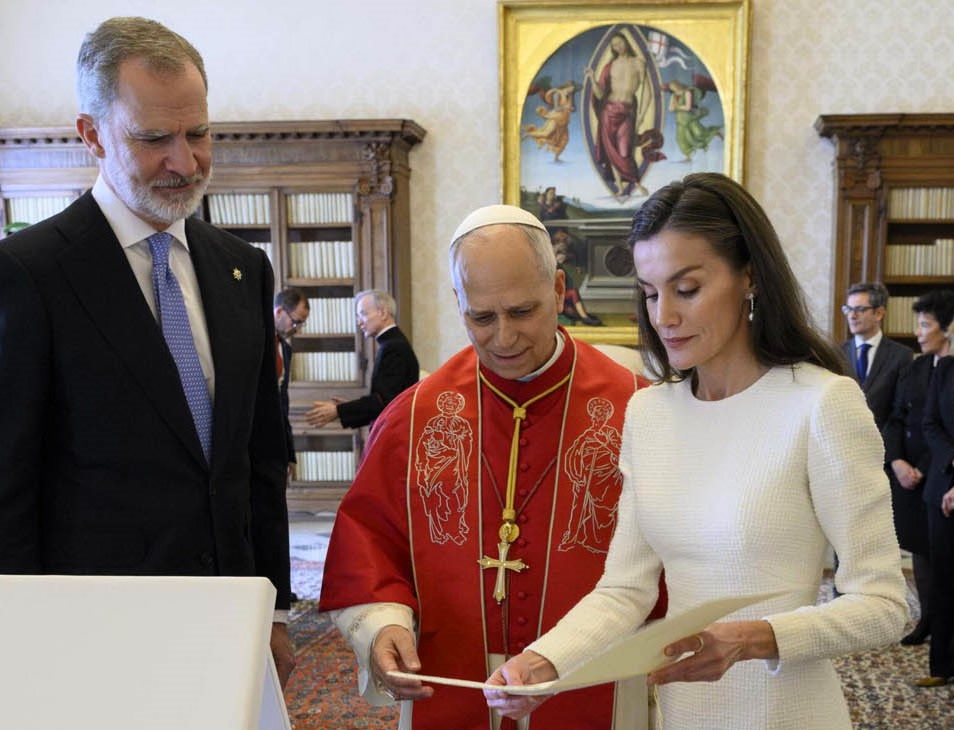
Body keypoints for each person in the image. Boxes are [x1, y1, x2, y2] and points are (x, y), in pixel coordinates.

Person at [0, 17, 296, 686]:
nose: (184, 162)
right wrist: (10, 645)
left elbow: (259, 460)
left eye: (198, 134)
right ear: (92, 134)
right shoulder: (23, 276)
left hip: (228, 621)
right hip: (89, 638)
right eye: (153, 139)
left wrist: (273, 609)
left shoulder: (241, 269)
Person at [485, 173, 908, 729]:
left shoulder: (821, 404)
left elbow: (885, 606)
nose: (663, 316)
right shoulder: (649, 413)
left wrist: (756, 638)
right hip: (685, 714)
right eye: (650, 292)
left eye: (686, 289)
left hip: (787, 714)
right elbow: (625, 590)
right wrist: (545, 662)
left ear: (749, 276)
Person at [319, 204, 665, 730]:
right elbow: (369, 541)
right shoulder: (415, 417)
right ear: (458, 301)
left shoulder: (636, 408)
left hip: (593, 682)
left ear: (558, 289)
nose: (504, 338)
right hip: (450, 685)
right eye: (481, 317)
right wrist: (383, 626)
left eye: (522, 311)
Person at [883, 290, 954, 647]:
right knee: (921, 552)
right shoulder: (916, 367)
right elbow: (896, 417)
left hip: (938, 473)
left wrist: (924, 468)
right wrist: (897, 461)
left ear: (947, 327)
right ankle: (928, 620)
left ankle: (942, 627)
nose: (918, 333)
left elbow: (939, 428)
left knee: (942, 558)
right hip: (908, 476)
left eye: (925, 325)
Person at [304, 289, 419, 429]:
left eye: (363, 314)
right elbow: (383, 401)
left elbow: (383, 403)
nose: (359, 322)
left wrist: (339, 410)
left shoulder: (393, 347)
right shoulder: (392, 343)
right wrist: (347, 407)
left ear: (383, 313)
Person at [918, 325, 954, 686]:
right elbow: (930, 424)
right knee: (943, 578)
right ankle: (941, 667)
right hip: (942, 486)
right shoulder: (944, 369)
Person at [585, 32, 661, 198]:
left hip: (627, 112)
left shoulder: (638, 63)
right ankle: (619, 187)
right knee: (611, 151)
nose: (618, 47)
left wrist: (641, 117)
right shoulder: (610, 66)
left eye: (619, 42)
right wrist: (592, 78)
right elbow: (599, 94)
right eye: (614, 45)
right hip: (608, 111)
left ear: (626, 42)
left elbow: (648, 93)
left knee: (625, 151)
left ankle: (636, 183)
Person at [840, 282, 914, 429]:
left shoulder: (901, 355)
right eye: (848, 309)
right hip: (844, 436)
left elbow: (899, 411)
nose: (852, 316)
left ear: (879, 313)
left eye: (859, 309)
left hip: (884, 439)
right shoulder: (837, 353)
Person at [274, 287, 310, 468]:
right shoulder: (254, 343)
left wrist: (289, 454)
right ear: (279, 311)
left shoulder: (286, 350)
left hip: (275, 440)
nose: (297, 329)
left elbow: (283, 404)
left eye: (301, 324)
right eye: (295, 322)